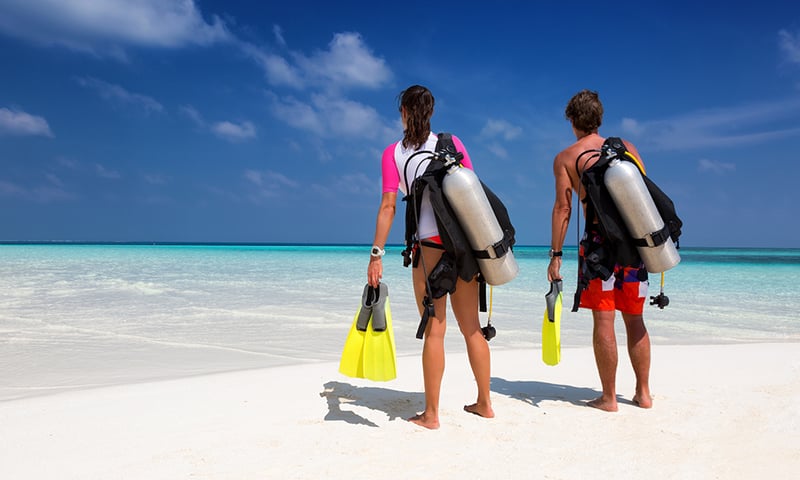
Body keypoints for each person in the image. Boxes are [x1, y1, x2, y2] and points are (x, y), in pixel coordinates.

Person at [367, 85, 494, 429]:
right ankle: (484, 402)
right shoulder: (452, 145)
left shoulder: (393, 154)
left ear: (403, 113)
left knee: (435, 331)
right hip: (464, 247)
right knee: (472, 330)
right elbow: (474, 195)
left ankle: (432, 415)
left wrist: (376, 254)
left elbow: (389, 207)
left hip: (429, 250)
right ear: (431, 112)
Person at [547, 89, 653, 412]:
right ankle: (643, 393)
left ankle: (609, 397)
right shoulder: (628, 149)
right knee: (635, 319)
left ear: (573, 120)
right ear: (599, 118)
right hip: (635, 246)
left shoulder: (567, 158)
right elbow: (643, 197)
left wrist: (555, 255)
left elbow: (563, 209)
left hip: (598, 249)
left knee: (604, 321)